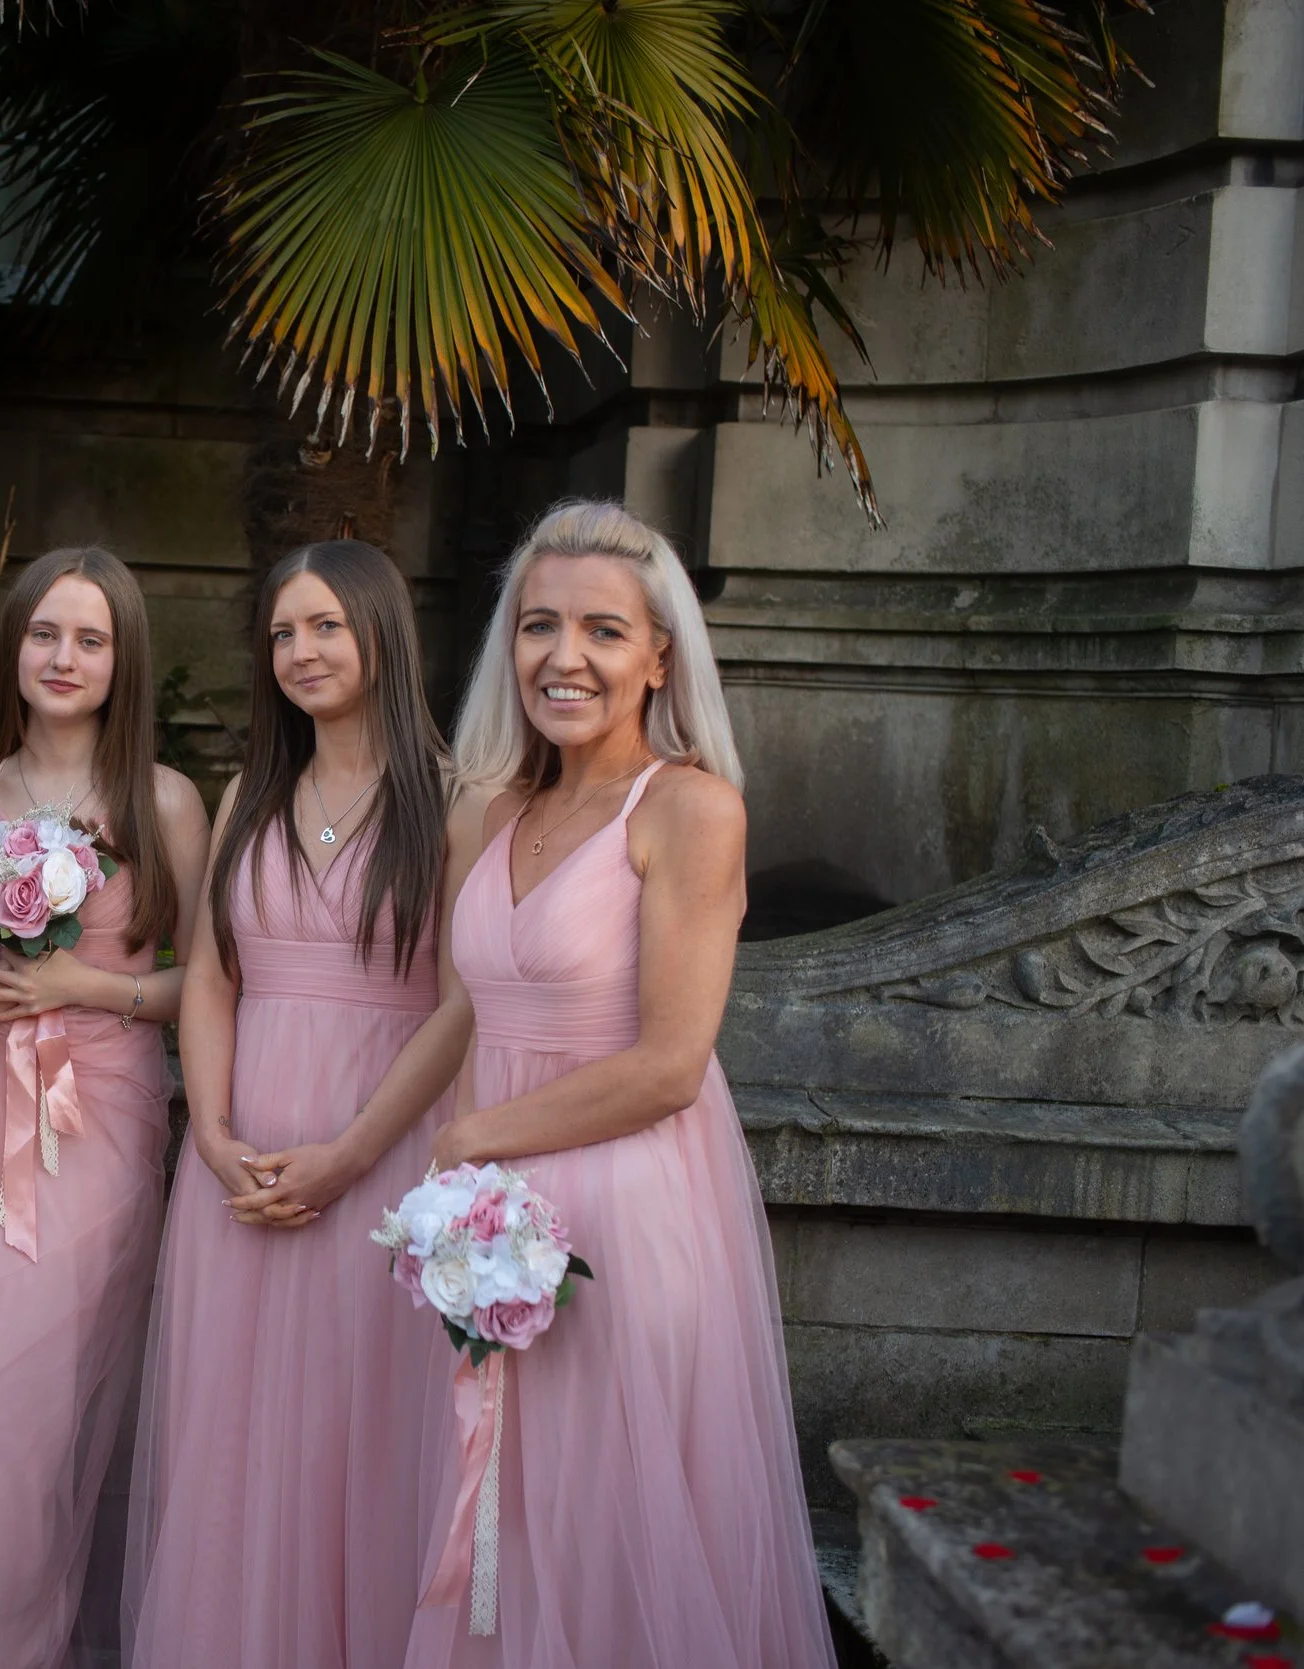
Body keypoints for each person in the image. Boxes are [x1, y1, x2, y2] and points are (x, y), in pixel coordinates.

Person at [410, 500, 835, 1668]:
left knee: (607, 1533)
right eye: (538, 625)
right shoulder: (488, 810)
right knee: (501, 1524)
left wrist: (474, 1138)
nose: (565, 656)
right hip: (491, 1221)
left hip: (624, 1213)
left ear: (658, 657)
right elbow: (465, 1012)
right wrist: (427, 1184)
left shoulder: (689, 809)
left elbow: (667, 1065)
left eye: (603, 630)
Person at [123, 539, 476, 1669]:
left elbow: (465, 1003)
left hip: (381, 1162)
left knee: (358, 1439)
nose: (301, 650)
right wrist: (212, 1134)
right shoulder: (250, 794)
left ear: (382, 631)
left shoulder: (454, 800)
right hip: (239, 1171)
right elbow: (211, 977)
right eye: (282, 632)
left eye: (325, 624)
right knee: (236, 1446)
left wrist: (352, 1153)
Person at [0, 548, 211, 1669]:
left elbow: (211, 985)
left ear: (124, 659)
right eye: (45, 633)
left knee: (20, 1410)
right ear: (15, 646)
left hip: (95, 1119)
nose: (64, 657)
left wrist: (90, 985)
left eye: (91, 639)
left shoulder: (164, 802)